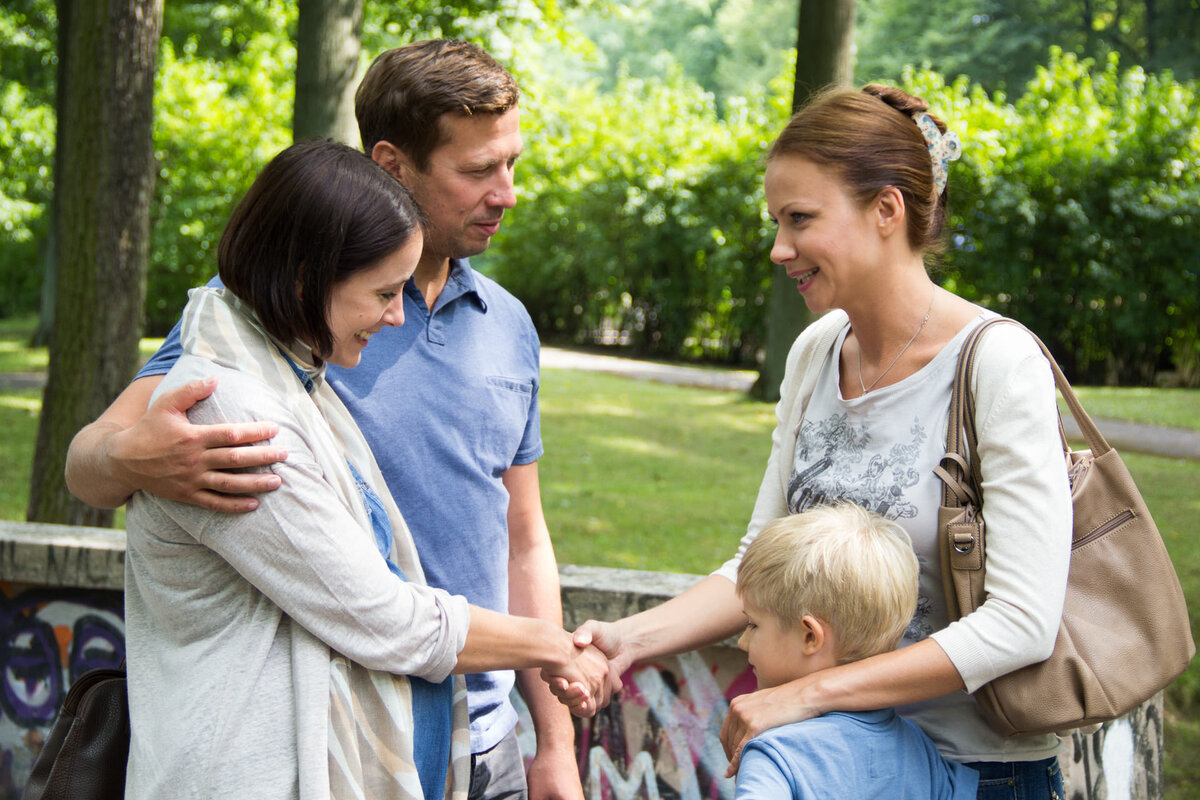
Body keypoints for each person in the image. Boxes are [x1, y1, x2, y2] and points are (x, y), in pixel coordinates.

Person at [66, 40, 586, 800]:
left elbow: (523, 536)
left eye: (511, 164)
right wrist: (130, 462)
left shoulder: (506, 325)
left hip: (485, 737)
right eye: (477, 171)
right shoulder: (263, 317)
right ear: (391, 164)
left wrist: (555, 742)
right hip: (343, 744)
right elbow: (90, 462)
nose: (506, 193)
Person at [560, 84, 1072, 800]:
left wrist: (808, 694)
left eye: (800, 219)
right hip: (832, 769)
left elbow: (1022, 623)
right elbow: (760, 565)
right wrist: (631, 639)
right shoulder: (816, 351)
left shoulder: (997, 362)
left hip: (979, 775)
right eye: (776, 221)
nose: (779, 248)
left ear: (886, 209)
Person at [732, 504, 979, 799]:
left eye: (753, 625)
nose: (742, 642)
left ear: (810, 636)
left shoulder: (774, 756)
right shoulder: (920, 750)